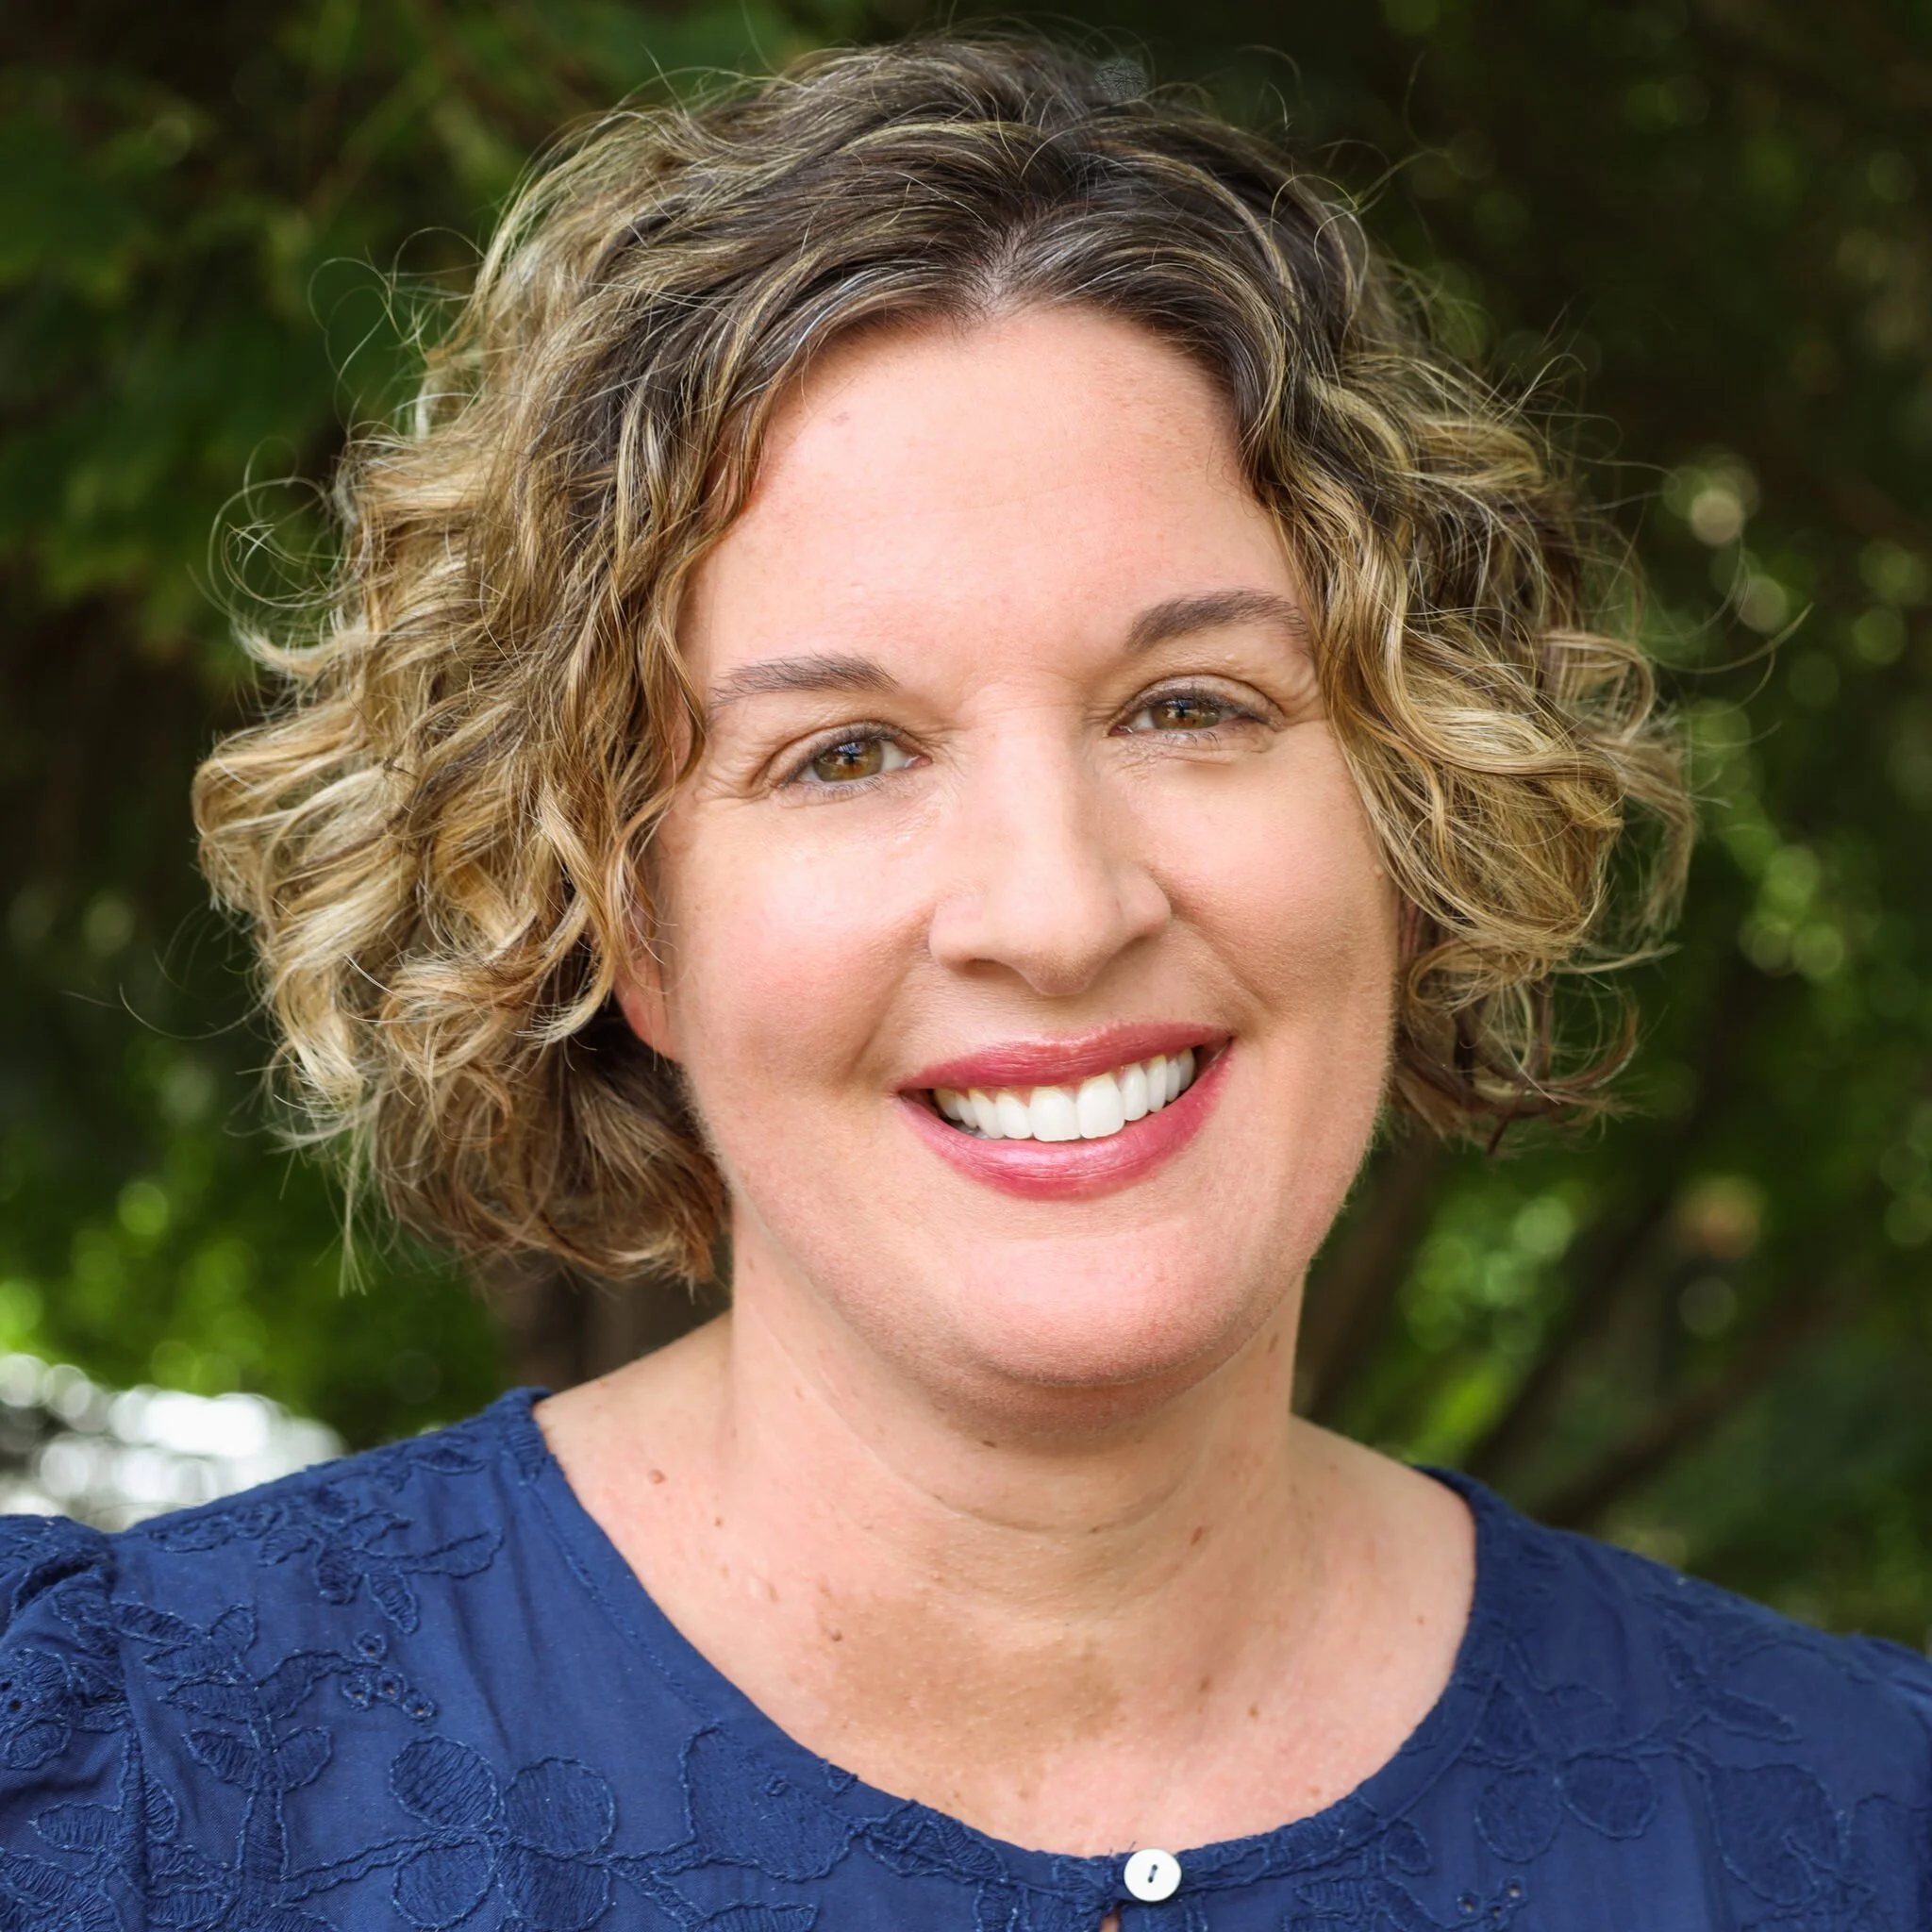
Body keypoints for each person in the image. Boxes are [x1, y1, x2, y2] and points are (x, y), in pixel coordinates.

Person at [2, 34, 1924, 1932]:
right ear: (616, 915)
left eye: (1190, 706)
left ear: (1407, 812)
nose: (1056, 909)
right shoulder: (139, 1807)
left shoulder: (1858, 1834)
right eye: (844, 752)